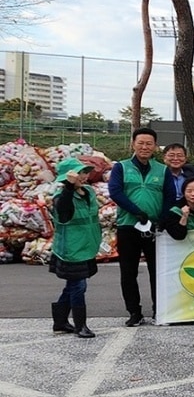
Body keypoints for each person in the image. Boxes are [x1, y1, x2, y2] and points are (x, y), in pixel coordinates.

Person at [108, 127, 170, 327]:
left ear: (155, 147)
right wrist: (136, 212)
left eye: (149, 143)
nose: (145, 147)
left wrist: (162, 218)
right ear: (133, 144)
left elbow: (169, 196)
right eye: (141, 143)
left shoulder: (162, 169)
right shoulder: (121, 168)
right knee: (128, 271)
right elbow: (115, 192)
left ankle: (159, 310)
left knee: (157, 271)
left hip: (155, 229)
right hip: (129, 226)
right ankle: (134, 311)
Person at [50, 157, 100, 338]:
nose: (85, 176)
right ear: (68, 177)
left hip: (87, 247)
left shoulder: (89, 193)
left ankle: (60, 321)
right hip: (70, 250)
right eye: (80, 173)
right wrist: (69, 188)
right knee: (79, 286)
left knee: (74, 285)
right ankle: (81, 325)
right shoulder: (60, 198)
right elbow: (63, 214)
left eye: (86, 172)